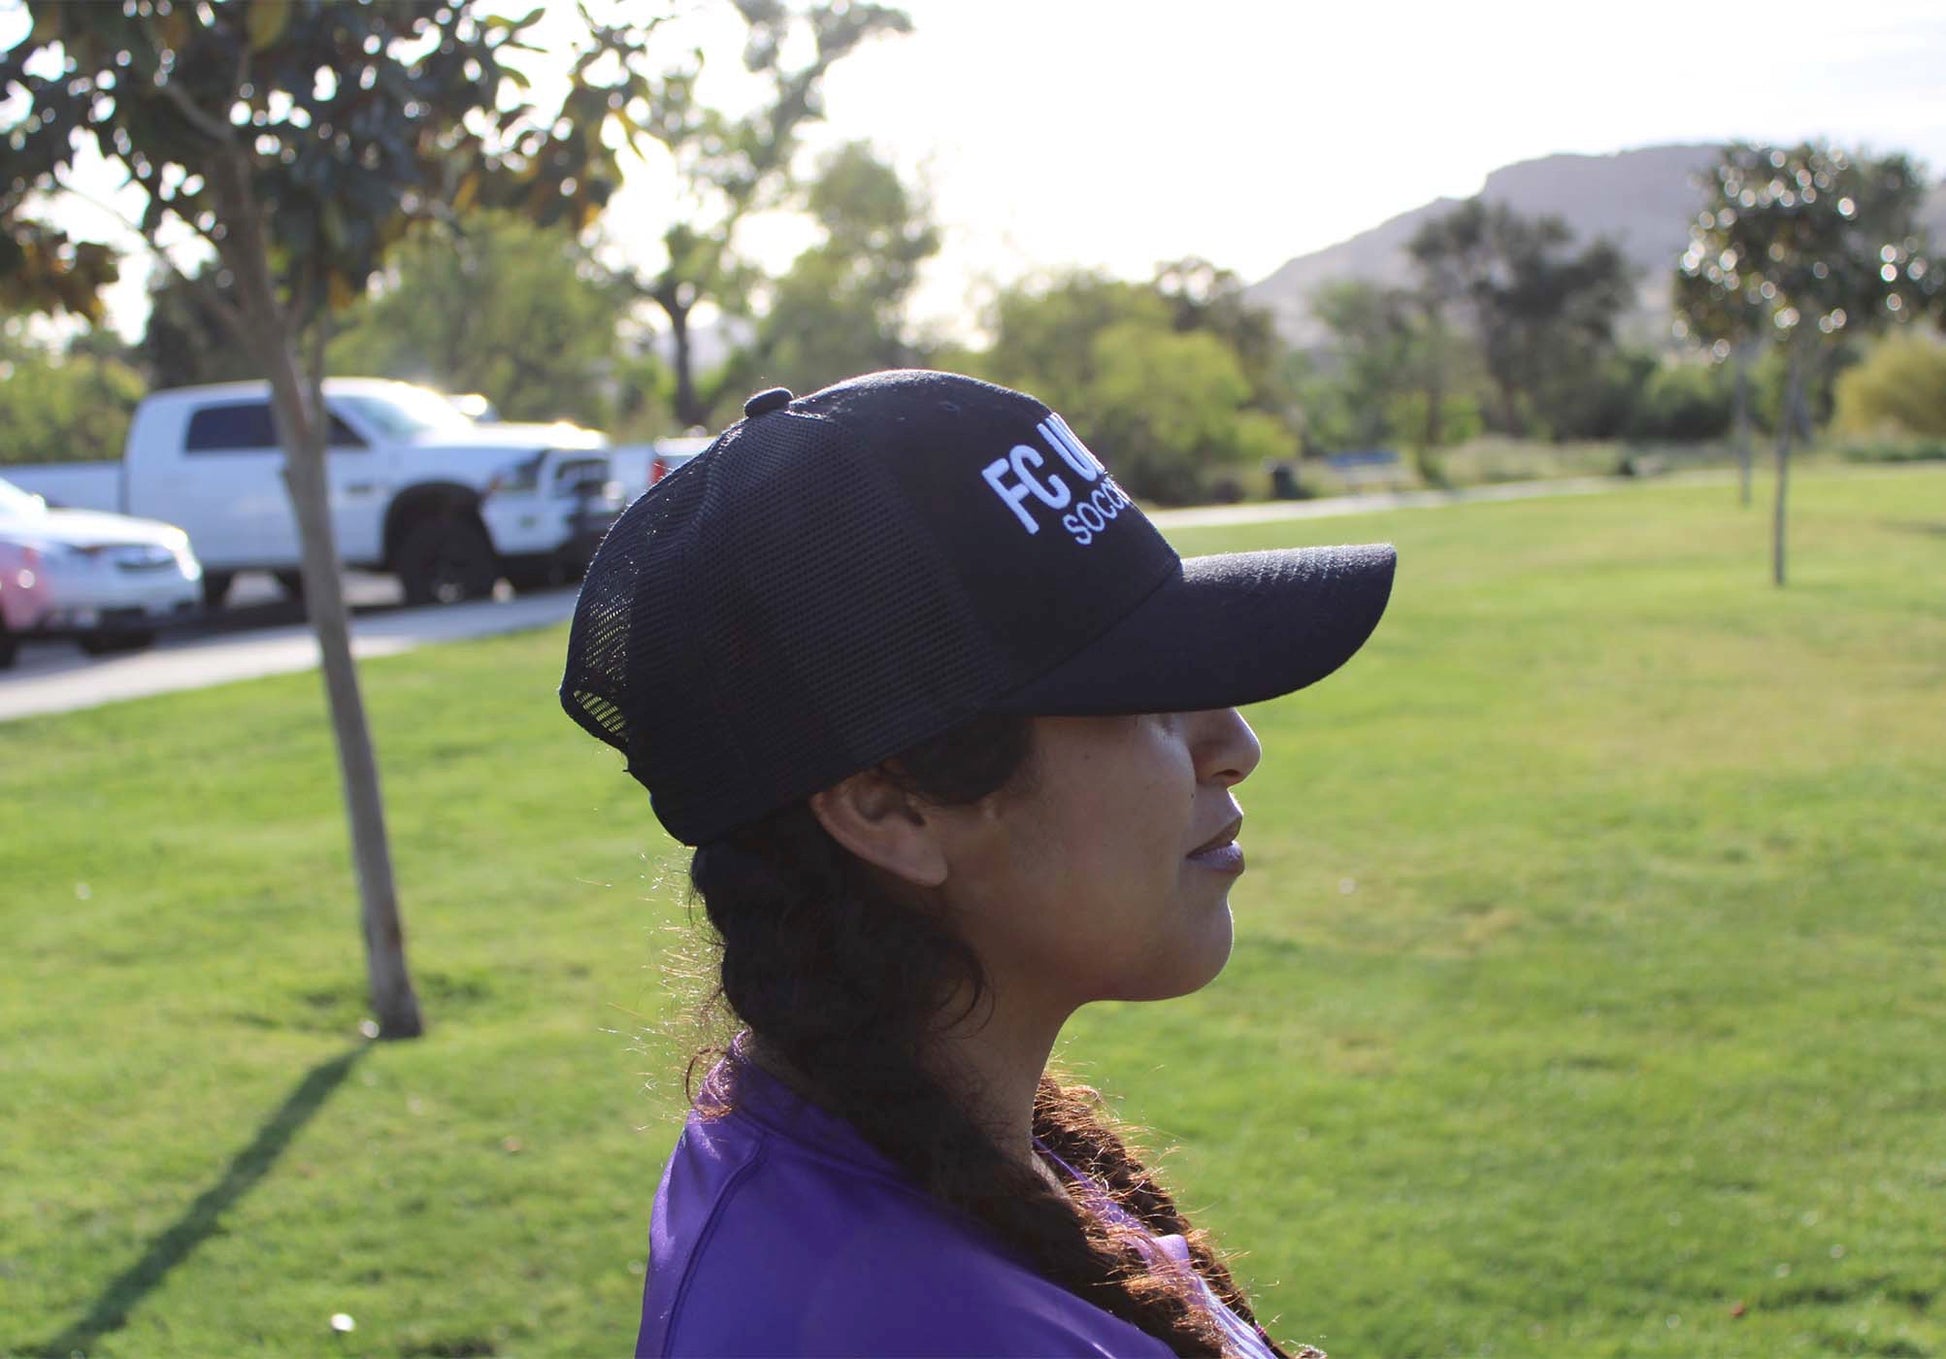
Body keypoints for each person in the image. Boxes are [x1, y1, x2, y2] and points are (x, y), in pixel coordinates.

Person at [560, 370, 1396, 1358]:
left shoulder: (855, 1123)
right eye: (1148, 696)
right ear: (889, 805)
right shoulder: (905, 1320)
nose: (1235, 742)